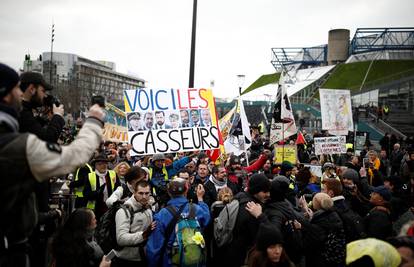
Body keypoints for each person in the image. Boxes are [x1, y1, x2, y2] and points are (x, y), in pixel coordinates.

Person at [0, 63, 105, 267]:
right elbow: (76, 155)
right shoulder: (18, 146)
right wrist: (94, 120)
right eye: (16, 88)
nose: (20, 94)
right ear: (5, 94)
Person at [146, 178, 210, 267]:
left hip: (170, 262)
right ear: (186, 190)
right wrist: (200, 199)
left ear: (168, 192)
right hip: (195, 262)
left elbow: (155, 248)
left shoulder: (162, 215)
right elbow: (206, 219)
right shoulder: (196, 209)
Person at [225, 174, 271, 267]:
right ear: (255, 191)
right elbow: (260, 237)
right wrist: (261, 216)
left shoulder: (240, 196)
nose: (268, 194)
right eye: (265, 191)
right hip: (243, 257)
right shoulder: (252, 208)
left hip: (232, 253)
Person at [113, 180, 155, 267]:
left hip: (144, 257)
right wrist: (143, 235)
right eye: (140, 193)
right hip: (126, 260)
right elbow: (121, 239)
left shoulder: (148, 207)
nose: (144, 196)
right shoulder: (124, 211)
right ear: (134, 192)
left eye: (147, 193)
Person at [18, 71, 65, 142]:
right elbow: (47, 139)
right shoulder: (21, 112)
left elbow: (33, 128)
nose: (45, 95)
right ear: (32, 89)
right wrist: (58, 116)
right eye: (43, 91)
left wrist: (44, 117)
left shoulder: (23, 109)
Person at [83, 154, 121, 220]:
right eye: (100, 164)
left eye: (105, 163)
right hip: (95, 208)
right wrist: (98, 192)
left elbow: (119, 188)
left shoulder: (113, 174)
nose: (103, 166)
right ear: (95, 165)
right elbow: (86, 194)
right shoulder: (89, 176)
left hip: (110, 207)